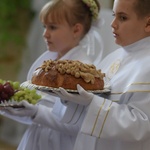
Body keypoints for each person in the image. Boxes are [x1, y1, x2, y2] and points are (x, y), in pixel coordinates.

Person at [0, 0, 104, 150]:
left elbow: (79, 124)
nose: (45, 34)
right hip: (35, 139)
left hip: (60, 144)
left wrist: (37, 112)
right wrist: (8, 107)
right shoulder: (46, 63)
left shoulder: (84, 73)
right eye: (44, 26)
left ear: (76, 30)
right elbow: (33, 114)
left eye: (53, 27)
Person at [52, 0, 150, 149]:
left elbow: (142, 125)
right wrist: (72, 99)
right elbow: (86, 115)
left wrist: (92, 103)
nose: (113, 24)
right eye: (113, 15)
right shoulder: (113, 58)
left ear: (148, 24)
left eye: (122, 18)